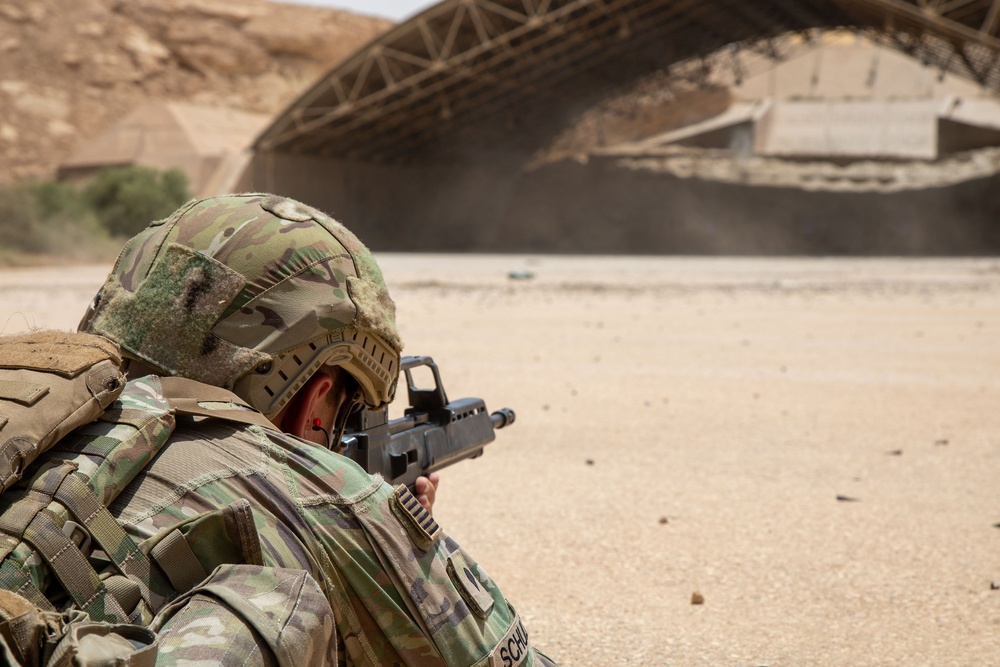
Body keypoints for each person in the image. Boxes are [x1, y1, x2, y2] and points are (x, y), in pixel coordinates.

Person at [63, 192, 552, 665]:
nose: (336, 442)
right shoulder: (325, 495)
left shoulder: (34, 421)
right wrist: (395, 544)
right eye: (344, 417)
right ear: (315, 408)